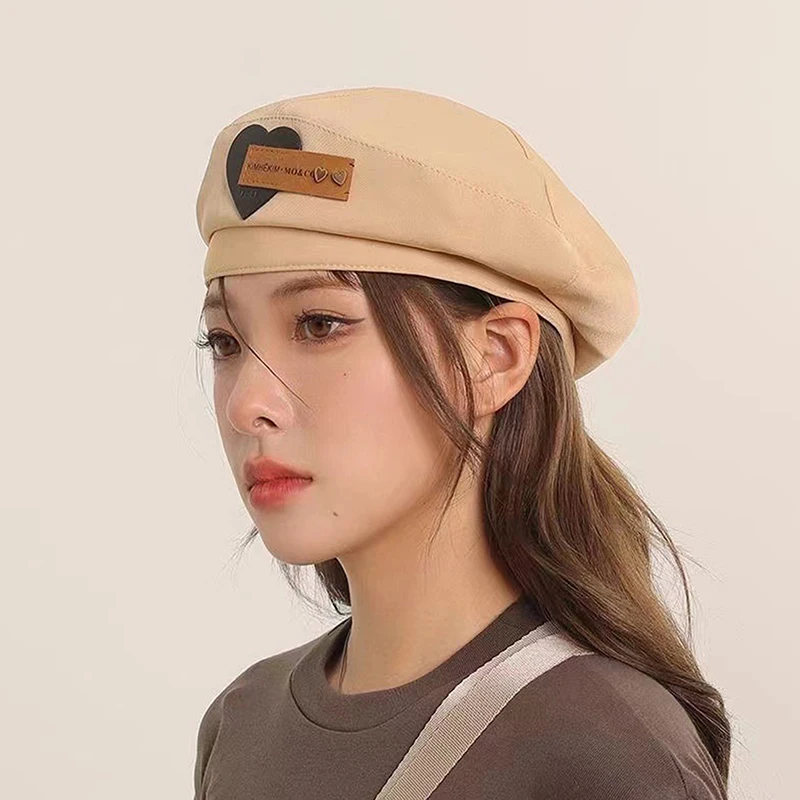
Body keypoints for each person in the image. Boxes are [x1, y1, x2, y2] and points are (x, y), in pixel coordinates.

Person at [191, 86, 731, 799]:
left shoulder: (606, 747)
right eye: (225, 342)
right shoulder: (241, 724)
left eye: (320, 325)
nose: (245, 405)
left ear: (496, 358)